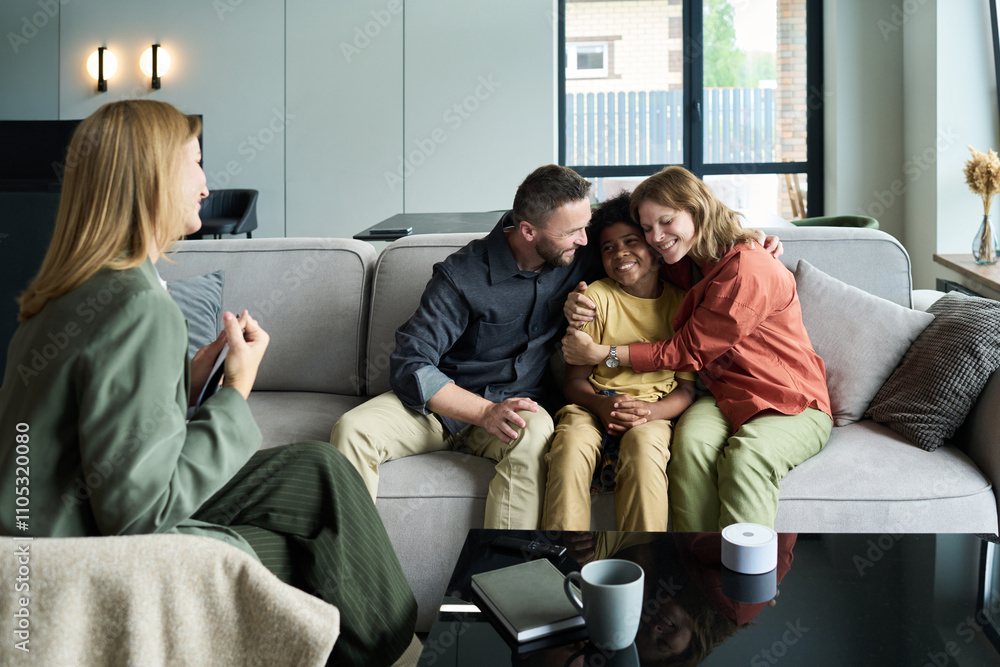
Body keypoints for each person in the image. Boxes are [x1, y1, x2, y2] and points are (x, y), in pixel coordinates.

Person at [0, 100, 415, 667]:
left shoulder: (63, 296)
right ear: (149, 177)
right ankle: (399, 650)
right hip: (88, 551)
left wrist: (188, 379)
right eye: (194, 163)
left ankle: (392, 640)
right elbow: (136, 511)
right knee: (306, 560)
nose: (205, 184)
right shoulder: (139, 306)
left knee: (320, 466)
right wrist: (235, 392)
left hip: (53, 521)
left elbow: (96, 434)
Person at [562, 166, 832, 532]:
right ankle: (696, 566)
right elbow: (626, 263)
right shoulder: (686, 261)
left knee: (746, 458)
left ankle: (744, 582)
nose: (655, 237)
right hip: (723, 397)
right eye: (647, 227)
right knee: (689, 447)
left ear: (697, 209)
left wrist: (604, 354)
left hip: (788, 400)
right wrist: (574, 303)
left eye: (666, 221)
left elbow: (687, 351)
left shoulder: (748, 270)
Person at [331, 164, 600, 529]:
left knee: (534, 434)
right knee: (352, 429)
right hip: (442, 407)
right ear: (528, 231)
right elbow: (411, 363)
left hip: (518, 407)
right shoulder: (461, 276)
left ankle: (500, 576)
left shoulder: (577, 254)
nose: (585, 239)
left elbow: (641, 243)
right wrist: (484, 412)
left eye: (586, 226)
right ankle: (353, 573)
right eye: (573, 232)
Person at [541, 191, 697, 532]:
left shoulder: (683, 304)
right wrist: (599, 405)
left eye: (631, 241)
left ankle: (643, 563)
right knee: (570, 447)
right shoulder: (595, 298)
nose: (619, 253)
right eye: (608, 247)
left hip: (652, 408)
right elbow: (574, 381)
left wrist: (650, 413)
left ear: (656, 251)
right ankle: (563, 560)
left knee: (643, 453)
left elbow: (686, 390)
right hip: (592, 402)